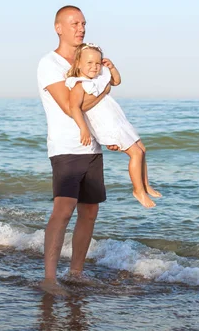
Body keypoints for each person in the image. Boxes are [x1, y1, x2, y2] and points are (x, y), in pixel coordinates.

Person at [36, 5, 116, 295]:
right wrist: (105, 88)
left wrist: (111, 136)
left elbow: (100, 112)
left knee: (90, 210)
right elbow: (72, 108)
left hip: (92, 147)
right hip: (66, 148)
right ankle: (49, 278)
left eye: (83, 23)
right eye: (74, 23)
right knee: (63, 209)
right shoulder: (50, 64)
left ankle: (76, 273)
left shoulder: (89, 62)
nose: (80, 28)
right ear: (58, 28)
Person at [66, 43, 161, 209]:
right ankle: (138, 190)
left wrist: (113, 67)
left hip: (119, 120)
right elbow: (74, 108)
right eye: (89, 63)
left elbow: (116, 81)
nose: (94, 67)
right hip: (108, 126)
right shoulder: (79, 85)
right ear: (78, 63)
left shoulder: (99, 79)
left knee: (142, 150)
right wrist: (84, 129)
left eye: (97, 63)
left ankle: (145, 184)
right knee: (136, 154)